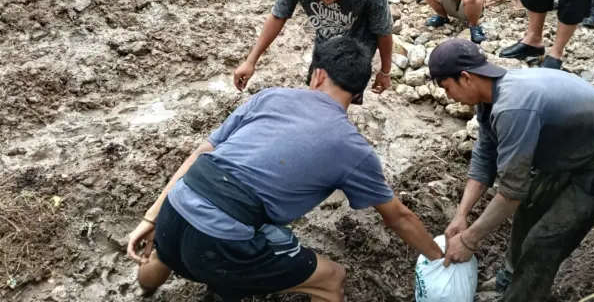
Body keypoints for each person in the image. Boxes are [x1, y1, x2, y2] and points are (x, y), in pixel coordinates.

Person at [127, 36, 443, 302]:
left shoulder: (269, 96)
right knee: (333, 279)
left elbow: (200, 153)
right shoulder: (354, 148)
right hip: (220, 241)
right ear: (358, 94)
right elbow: (398, 217)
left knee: (164, 253)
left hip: (176, 207)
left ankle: (145, 291)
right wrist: (439, 259)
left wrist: (152, 216)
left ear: (318, 74)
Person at [428, 38, 594, 301]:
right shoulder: (488, 97)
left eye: (448, 88)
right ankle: (508, 280)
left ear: (466, 78)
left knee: (545, 240)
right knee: (528, 210)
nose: (449, 97)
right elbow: (484, 158)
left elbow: (511, 192)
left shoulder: (513, 107)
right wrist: (461, 215)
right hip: (570, 147)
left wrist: (470, 239)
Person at [233, 0, 393, 103]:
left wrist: (385, 72)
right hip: (325, 41)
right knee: (316, 90)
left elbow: (384, 32)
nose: (329, 1)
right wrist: (250, 61)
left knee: (340, 100)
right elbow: (278, 15)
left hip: (355, 50)